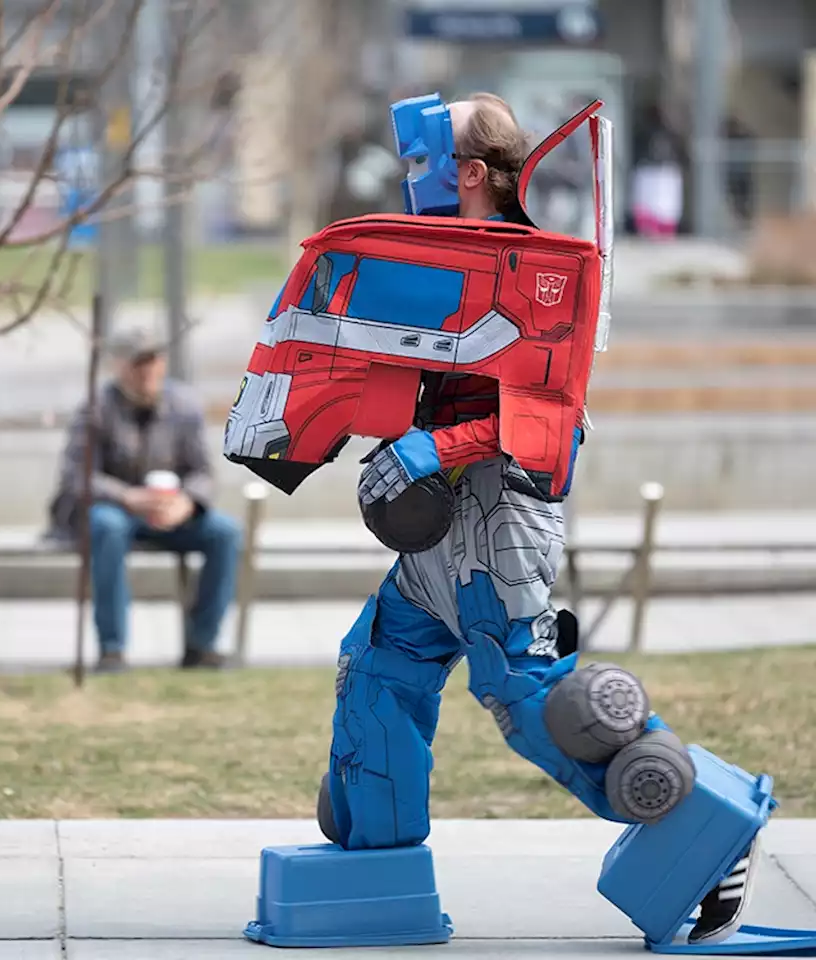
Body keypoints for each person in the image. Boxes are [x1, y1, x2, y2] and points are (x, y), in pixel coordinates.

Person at [225, 93, 759, 948]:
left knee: (529, 695)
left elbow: (553, 410)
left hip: (498, 525)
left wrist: (436, 449)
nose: (409, 179)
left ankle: (712, 831)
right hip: (439, 535)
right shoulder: (449, 260)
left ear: (469, 173)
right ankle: (377, 860)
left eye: (421, 164)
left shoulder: (544, 271)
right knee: (378, 667)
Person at [47, 329, 243, 672]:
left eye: (153, 361)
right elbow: (76, 475)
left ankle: (202, 644)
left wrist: (188, 502)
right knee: (105, 527)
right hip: (116, 512)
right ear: (118, 367)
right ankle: (112, 649)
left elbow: (204, 472)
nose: (147, 370)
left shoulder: (184, 404)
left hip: (171, 511)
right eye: (138, 362)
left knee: (225, 532)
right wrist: (127, 497)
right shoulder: (96, 407)